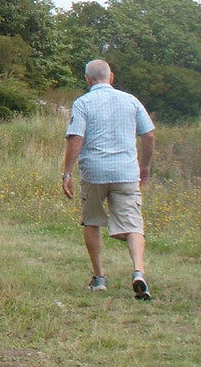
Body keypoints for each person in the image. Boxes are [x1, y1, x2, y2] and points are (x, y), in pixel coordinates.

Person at [61, 59, 156, 300]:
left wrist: (67, 173)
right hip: (126, 171)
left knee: (92, 221)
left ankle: (100, 276)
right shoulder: (131, 100)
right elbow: (149, 135)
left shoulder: (82, 103)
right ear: (111, 76)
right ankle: (138, 271)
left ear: (87, 79)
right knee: (133, 223)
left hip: (94, 171)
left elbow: (75, 139)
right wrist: (144, 165)